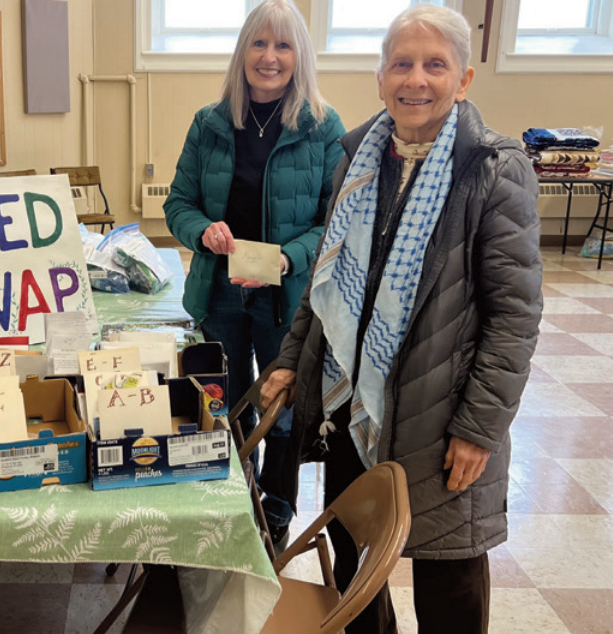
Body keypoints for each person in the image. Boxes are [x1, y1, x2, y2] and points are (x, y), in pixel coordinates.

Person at [260, 5, 542, 633]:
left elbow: (514, 318)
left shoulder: (496, 170)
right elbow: (326, 282)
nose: (416, 79)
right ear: (380, 76)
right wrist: (287, 361)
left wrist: (479, 427)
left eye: (435, 64)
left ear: (463, 79)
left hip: (441, 418)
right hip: (352, 408)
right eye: (402, 63)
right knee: (359, 569)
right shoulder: (357, 158)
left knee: (448, 579)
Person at [163, 0, 345, 551]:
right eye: (259, 44)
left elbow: (332, 220)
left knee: (280, 404)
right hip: (219, 292)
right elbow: (179, 204)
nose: (269, 57)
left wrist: (290, 256)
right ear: (243, 52)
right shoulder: (210, 122)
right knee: (226, 399)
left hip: (285, 299)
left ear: (299, 56)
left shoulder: (322, 125)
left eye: (283, 45)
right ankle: (233, 499)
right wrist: (202, 232)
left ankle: (277, 508)